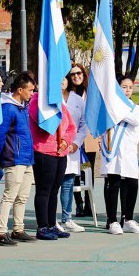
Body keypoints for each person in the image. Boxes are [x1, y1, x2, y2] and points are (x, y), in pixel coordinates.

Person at [0, 73, 37, 246]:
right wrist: (0, 156)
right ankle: (1, 234)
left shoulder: (23, 107)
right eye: (30, 90)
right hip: (14, 158)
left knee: (23, 196)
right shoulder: (8, 108)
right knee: (9, 195)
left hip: (26, 158)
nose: (32, 93)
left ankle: (18, 229)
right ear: (20, 90)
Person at [28, 87, 76, 241]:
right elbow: (45, 124)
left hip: (60, 152)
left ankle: (51, 224)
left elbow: (71, 126)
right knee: (44, 190)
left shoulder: (59, 104)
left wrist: (65, 140)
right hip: (44, 152)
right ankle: (42, 227)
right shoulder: (36, 102)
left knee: (54, 190)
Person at [102, 76, 139, 235]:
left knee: (132, 184)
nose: (127, 90)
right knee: (114, 184)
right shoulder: (108, 107)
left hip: (130, 151)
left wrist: (117, 112)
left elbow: (134, 120)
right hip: (114, 151)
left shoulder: (135, 107)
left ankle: (128, 219)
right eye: (124, 87)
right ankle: (112, 220)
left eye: (130, 87)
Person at [58, 74, 87, 233]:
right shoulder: (50, 99)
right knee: (53, 185)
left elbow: (84, 124)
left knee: (68, 184)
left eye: (64, 78)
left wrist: (76, 143)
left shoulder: (77, 100)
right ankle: (50, 219)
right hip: (54, 148)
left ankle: (67, 218)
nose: (61, 81)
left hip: (72, 148)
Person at [67, 63, 95, 218]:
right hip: (72, 139)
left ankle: (89, 203)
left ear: (84, 75)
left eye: (79, 73)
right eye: (73, 74)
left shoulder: (90, 93)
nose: (76, 76)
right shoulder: (68, 94)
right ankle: (79, 204)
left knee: (88, 170)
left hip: (88, 138)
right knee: (74, 173)